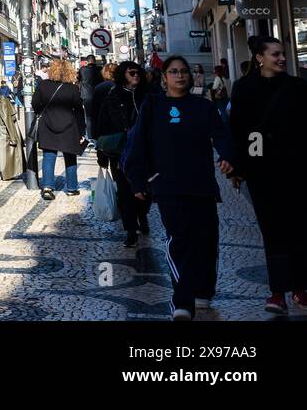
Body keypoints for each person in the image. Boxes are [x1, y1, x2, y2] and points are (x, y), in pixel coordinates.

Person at [124, 54, 235, 321]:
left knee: (207, 242)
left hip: (202, 185)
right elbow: (136, 144)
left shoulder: (203, 107)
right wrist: (138, 181)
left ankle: (204, 291)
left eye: (183, 71)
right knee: (180, 241)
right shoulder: (153, 105)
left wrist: (228, 156)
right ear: (164, 79)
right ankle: (182, 301)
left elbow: (221, 135)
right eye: (173, 72)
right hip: (168, 186)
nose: (180, 76)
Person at [228, 36, 307, 315]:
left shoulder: (298, 87)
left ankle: (300, 288)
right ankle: (277, 293)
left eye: (283, 54)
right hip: (263, 173)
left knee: (299, 229)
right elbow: (240, 131)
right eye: (275, 54)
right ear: (260, 58)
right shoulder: (244, 89)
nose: (282, 58)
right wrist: (238, 167)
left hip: (297, 170)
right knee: (272, 232)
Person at [93, 61, 150, 246]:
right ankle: (130, 229)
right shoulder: (113, 95)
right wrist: (101, 152)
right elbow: (102, 124)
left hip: (143, 152)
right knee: (125, 191)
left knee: (144, 190)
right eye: (131, 73)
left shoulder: (147, 95)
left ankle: (143, 216)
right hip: (120, 153)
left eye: (137, 73)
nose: (135, 76)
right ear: (122, 76)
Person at [32, 57, 86, 200]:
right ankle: (72, 188)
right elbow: (79, 111)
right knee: (70, 156)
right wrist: (82, 131)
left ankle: (48, 187)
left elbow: (35, 104)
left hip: (48, 125)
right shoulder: (73, 88)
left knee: (49, 156)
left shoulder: (44, 85)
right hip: (69, 126)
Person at [78, 55, 102, 139]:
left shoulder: (82, 69)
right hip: (98, 95)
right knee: (99, 115)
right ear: (95, 61)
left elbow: (79, 80)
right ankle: (98, 134)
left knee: (88, 117)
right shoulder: (100, 69)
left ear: (87, 61)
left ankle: (90, 136)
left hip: (86, 95)